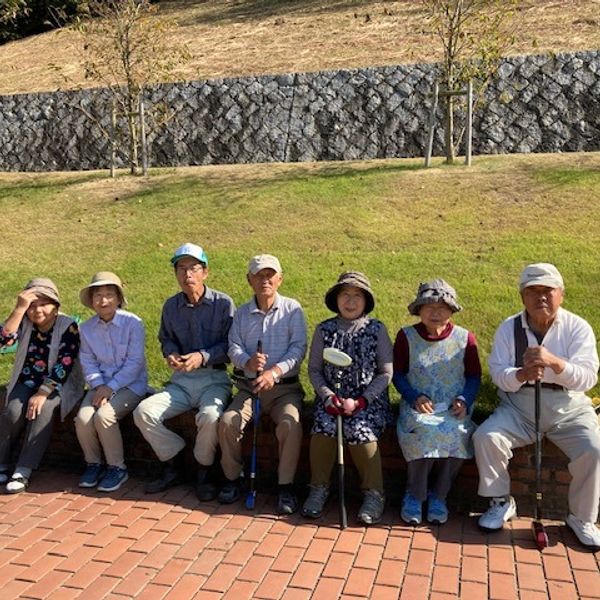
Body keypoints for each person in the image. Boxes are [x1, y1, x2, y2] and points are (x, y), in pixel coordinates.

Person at [474, 263, 600, 549]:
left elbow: (587, 377)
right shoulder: (509, 328)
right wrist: (521, 374)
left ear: (561, 295)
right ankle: (501, 501)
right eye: (532, 291)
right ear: (522, 297)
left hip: (569, 408)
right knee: (486, 438)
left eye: (548, 291)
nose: (540, 297)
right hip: (519, 408)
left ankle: (582, 518)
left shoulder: (577, 327)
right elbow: (497, 372)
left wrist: (555, 363)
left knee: (594, 450)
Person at [133, 243, 235, 500]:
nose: (187, 274)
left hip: (214, 379)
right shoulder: (171, 306)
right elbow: (165, 339)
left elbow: (231, 346)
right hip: (180, 382)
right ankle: (174, 461)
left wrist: (202, 356)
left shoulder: (223, 304)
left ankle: (203, 471)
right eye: (181, 268)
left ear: (205, 272)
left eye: (193, 268)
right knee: (143, 411)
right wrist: (171, 354)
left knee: (210, 416)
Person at [218, 254, 307, 514]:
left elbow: (298, 348)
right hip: (249, 388)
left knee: (291, 424)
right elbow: (232, 345)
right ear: (249, 280)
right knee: (227, 421)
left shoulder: (293, 309)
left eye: (270, 275)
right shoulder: (242, 314)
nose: (264, 280)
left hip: (284, 390)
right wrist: (247, 362)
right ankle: (232, 479)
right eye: (258, 275)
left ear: (280, 279)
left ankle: (285, 486)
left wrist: (274, 373)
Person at [302, 271, 393, 525]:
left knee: (359, 431)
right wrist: (328, 396)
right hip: (332, 401)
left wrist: (361, 401)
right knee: (323, 428)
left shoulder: (377, 330)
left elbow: (386, 373)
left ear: (366, 301)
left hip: (367, 402)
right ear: (336, 299)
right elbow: (315, 370)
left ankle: (374, 494)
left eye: (357, 296)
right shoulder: (324, 330)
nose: (350, 302)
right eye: (345, 295)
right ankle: (318, 488)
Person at [393, 279, 481, 525]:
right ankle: (415, 494)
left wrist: (465, 399)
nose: (435, 312)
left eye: (442, 307)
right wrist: (413, 396)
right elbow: (398, 374)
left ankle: (439, 496)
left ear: (451, 311)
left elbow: (474, 376)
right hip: (418, 405)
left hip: (453, 407)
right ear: (419, 309)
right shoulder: (406, 337)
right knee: (424, 433)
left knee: (458, 433)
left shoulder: (465, 339)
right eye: (428, 306)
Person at [0, 278, 84, 493]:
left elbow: (65, 362)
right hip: (26, 379)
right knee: (12, 410)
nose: (37, 310)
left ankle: (24, 468)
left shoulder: (68, 326)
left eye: (44, 304)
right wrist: (19, 309)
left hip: (59, 384)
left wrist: (44, 391)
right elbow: (3, 340)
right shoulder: (24, 321)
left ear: (56, 307)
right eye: (32, 305)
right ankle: (2, 462)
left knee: (43, 409)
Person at [74, 272, 148, 492]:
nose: (103, 300)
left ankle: (117, 467)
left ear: (118, 298)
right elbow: (87, 361)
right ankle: (93, 463)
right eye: (98, 295)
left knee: (105, 416)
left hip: (130, 385)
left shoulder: (133, 323)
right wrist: (99, 386)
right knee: (83, 418)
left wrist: (111, 387)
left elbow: (135, 363)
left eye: (109, 295)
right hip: (99, 385)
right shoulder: (86, 329)